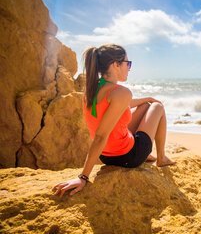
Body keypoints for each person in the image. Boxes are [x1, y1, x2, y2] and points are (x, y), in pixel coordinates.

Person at [52, 44, 176, 198]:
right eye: (127, 63)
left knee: (146, 105)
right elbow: (100, 136)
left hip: (106, 155)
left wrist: (147, 99)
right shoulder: (121, 92)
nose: (129, 68)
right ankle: (162, 158)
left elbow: (122, 105)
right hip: (129, 157)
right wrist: (83, 176)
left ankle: (151, 155)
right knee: (157, 106)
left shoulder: (93, 88)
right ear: (115, 65)